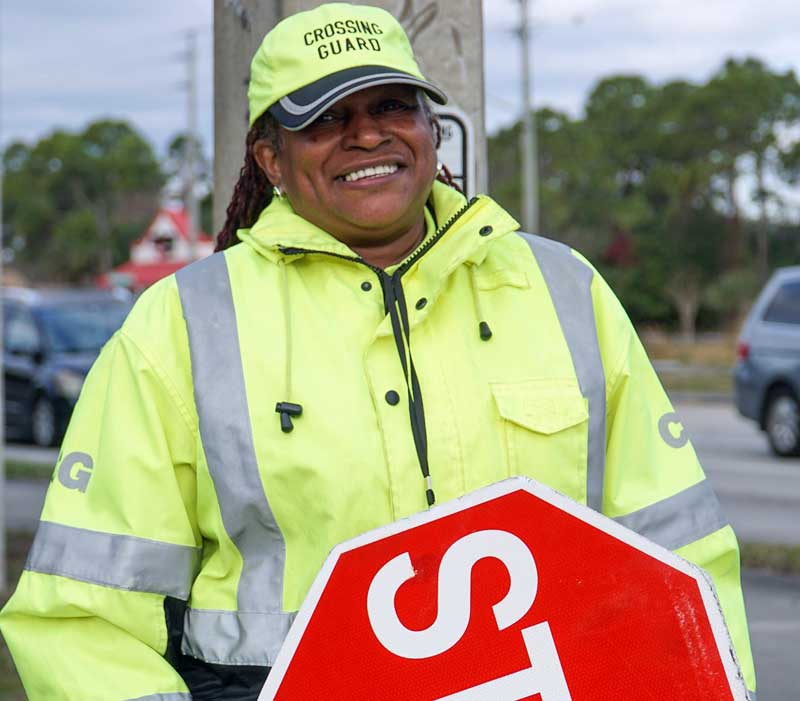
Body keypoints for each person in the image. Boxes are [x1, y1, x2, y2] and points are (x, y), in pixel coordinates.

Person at [0, 3, 755, 700]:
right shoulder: (182, 324)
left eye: (392, 106)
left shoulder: (563, 288)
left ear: (431, 126)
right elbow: (82, 618)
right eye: (326, 118)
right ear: (269, 159)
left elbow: (681, 561)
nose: (367, 135)